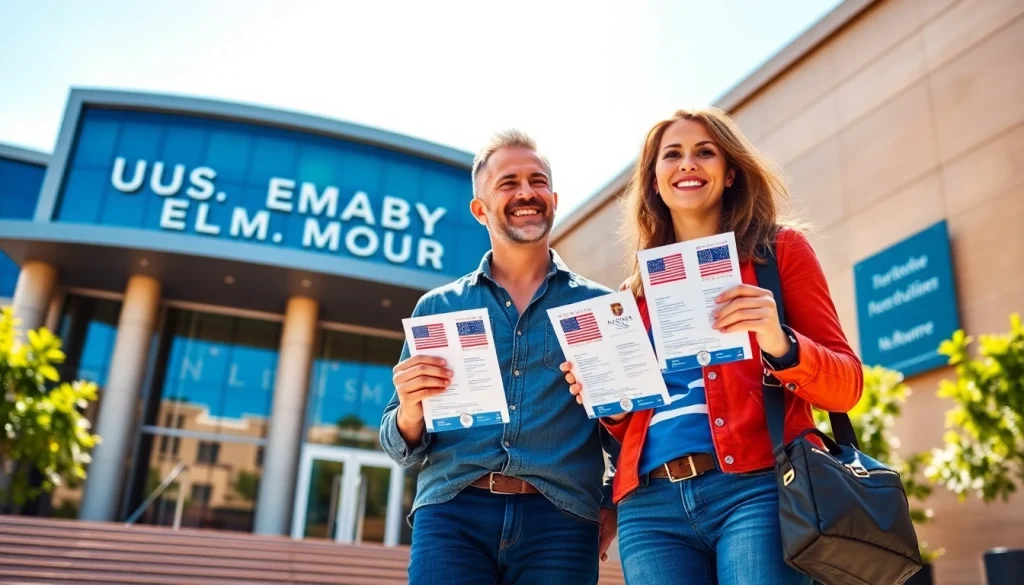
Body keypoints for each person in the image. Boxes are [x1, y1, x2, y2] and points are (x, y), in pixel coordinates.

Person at [561, 108, 863, 585]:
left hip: (755, 489)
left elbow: (846, 387)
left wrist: (779, 341)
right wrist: (608, 399)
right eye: (672, 155)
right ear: (654, 182)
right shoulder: (632, 295)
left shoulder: (778, 252)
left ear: (730, 173)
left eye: (705, 152)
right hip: (649, 507)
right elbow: (632, 426)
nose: (688, 164)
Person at [380, 130, 620, 585]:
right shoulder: (438, 308)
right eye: (509, 182)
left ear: (553, 197)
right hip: (453, 514)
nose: (527, 192)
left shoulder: (598, 308)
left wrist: (610, 504)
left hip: (562, 522)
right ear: (480, 209)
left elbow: (626, 432)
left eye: (538, 180)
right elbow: (398, 444)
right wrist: (411, 408)